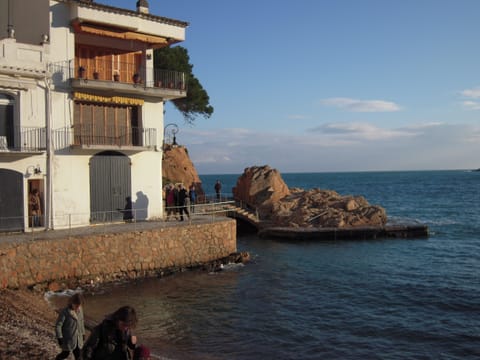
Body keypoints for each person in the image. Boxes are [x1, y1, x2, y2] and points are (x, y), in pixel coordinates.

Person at [55, 293, 86, 360]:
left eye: (79, 305)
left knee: (79, 356)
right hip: (67, 339)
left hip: (78, 339)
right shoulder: (65, 312)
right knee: (65, 354)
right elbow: (58, 325)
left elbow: (81, 322)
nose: (77, 307)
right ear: (72, 302)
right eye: (76, 305)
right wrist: (59, 337)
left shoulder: (80, 310)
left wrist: (83, 333)